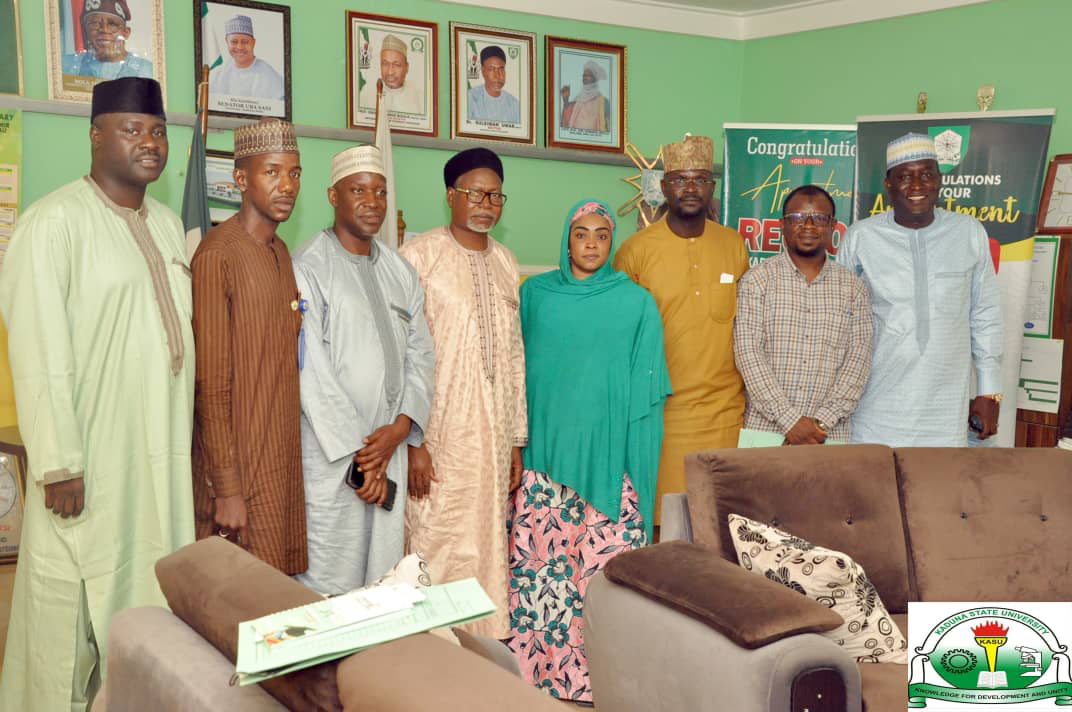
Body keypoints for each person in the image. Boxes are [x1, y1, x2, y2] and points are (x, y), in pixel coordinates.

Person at [0, 77, 193, 711]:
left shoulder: (168, 226)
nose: (150, 143)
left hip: (159, 456)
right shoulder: (53, 222)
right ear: (95, 136)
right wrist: (59, 461)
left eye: (158, 131)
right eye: (132, 130)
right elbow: (38, 351)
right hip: (89, 460)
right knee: (71, 611)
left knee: (150, 599)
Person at [507, 199, 670, 702]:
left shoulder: (636, 303)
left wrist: (633, 462)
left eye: (602, 234)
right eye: (582, 234)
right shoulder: (535, 295)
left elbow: (647, 393)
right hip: (545, 463)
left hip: (610, 465)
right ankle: (537, 680)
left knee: (605, 582)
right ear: (567, 239)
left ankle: (604, 684)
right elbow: (514, 373)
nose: (592, 244)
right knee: (542, 576)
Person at [292, 145, 435, 595]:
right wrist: (363, 457)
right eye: (358, 191)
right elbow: (312, 373)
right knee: (329, 581)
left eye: (380, 192)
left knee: (382, 582)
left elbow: (421, 354)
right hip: (334, 455)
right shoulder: (308, 266)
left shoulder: (400, 270)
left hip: (389, 447)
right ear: (333, 196)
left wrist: (401, 428)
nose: (372, 202)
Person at [399, 147, 527, 638]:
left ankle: (478, 654)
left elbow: (513, 356)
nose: (486, 204)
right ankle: (427, 652)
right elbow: (402, 356)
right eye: (475, 193)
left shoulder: (506, 262)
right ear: (450, 196)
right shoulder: (419, 257)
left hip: (492, 440)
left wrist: (516, 439)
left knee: (484, 545)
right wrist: (414, 441)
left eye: (495, 195)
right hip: (438, 437)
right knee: (434, 540)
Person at [192, 118, 307, 574]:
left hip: (279, 464)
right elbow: (210, 385)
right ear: (240, 179)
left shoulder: (280, 252)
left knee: (276, 597)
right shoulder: (217, 254)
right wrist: (226, 489)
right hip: (239, 474)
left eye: (294, 173)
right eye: (272, 172)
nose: (287, 186)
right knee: (237, 598)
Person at [613, 134, 748, 521]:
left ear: (712, 188)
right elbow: (620, 340)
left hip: (724, 414)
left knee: (721, 524)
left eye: (700, 179)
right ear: (664, 186)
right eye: (680, 180)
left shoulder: (734, 245)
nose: (690, 189)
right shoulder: (636, 251)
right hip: (661, 414)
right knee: (664, 524)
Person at [840, 133, 1003, 446]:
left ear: (939, 180)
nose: (917, 186)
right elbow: (841, 322)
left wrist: (989, 391)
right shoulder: (860, 238)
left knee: (941, 478)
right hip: (874, 405)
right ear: (888, 184)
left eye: (926, 175)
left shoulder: (968, 233)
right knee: (875, 477)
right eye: (905, 177)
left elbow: (986, 315)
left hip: (946, 408)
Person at [734, 185, 874, 443]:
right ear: (782, 225)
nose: (808, 225)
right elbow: (748, 354)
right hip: (765, 433)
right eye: (798, 217)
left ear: (833, 226)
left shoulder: (853, 288)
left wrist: (822, 421)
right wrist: (790, 421)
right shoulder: (757, 281)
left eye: (819, 218)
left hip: (828, 434)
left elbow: (859, 359)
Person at [62, 0, 153, 80]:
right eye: (94, 23)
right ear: (85, 30)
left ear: (126, 32)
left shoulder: (147, 71)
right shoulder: (66, 66)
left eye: (112, 24)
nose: (104, 30)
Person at [208, 14, 285, 102]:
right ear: (227, 42)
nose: (240, 47)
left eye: (245, 42)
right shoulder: (216, 75)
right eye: (234, 42)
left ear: (253, 43)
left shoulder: (269, 75)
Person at [358, 34, 423, 115]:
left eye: (397, 65)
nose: (390, 72)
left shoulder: (419, 97)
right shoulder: (367, 92)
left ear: (407, 67)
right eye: (385, 64)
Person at [467, 45, 520, 124]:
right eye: (491, 69)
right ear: (483, 71)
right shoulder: (470, 98)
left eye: (501, 69)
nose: (497, 75)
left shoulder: (514, 104)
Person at [560, 60, 610, 131]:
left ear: (595, 78)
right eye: (584, 75)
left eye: (588, 75)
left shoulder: (603, 101)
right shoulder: (578, 99)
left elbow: (609, 126)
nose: (585, 78)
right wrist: (565, 100)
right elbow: (567, 121)